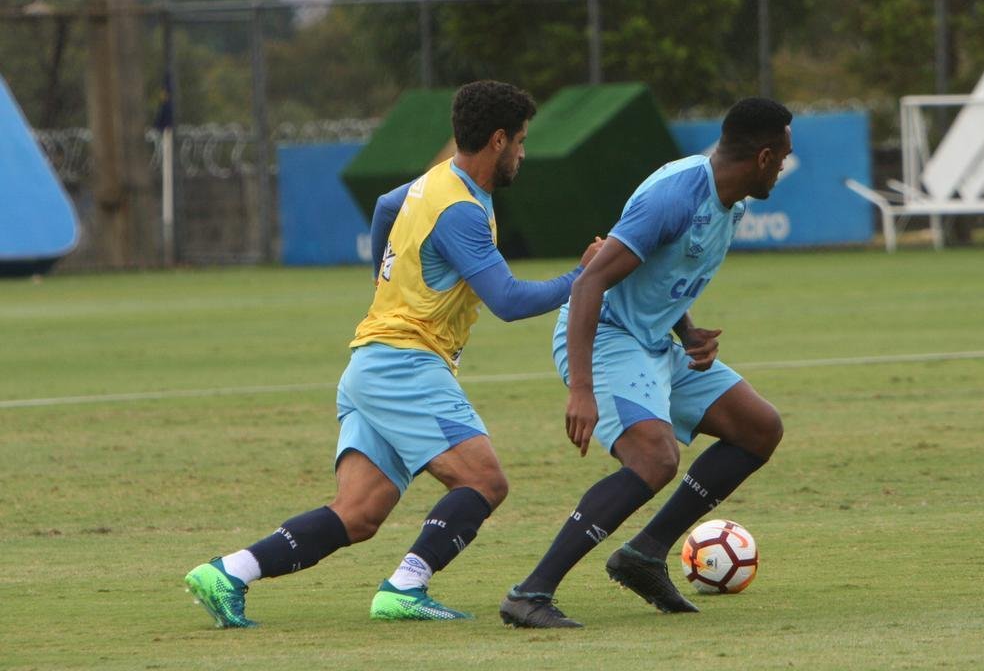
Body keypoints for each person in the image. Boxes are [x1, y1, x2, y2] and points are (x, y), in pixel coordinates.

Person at [184, 80, 602, 627]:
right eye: (521, 141)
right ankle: (407, 586)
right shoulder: (463, 213)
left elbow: (385, 207)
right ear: (498, 140)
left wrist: (383, 284)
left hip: (371, 361)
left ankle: (229, 572)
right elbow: (508, 300)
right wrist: (584, 274)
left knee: (358, 513)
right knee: (485, 481)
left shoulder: (434, 181)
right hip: (405, 363)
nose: (523, 153)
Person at [499, 97, 790, 628]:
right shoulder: (676, 196)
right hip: (605, 335)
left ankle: (644, 554)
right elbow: (590, 281)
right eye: (785, 156)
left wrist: (688, 329)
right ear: (765, 157)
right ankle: (530, 593)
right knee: (654, 458)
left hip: (655, 339)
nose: (786, 167)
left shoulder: (733, 202)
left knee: (759, 428)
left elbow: (662, 276)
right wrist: (581, 390)